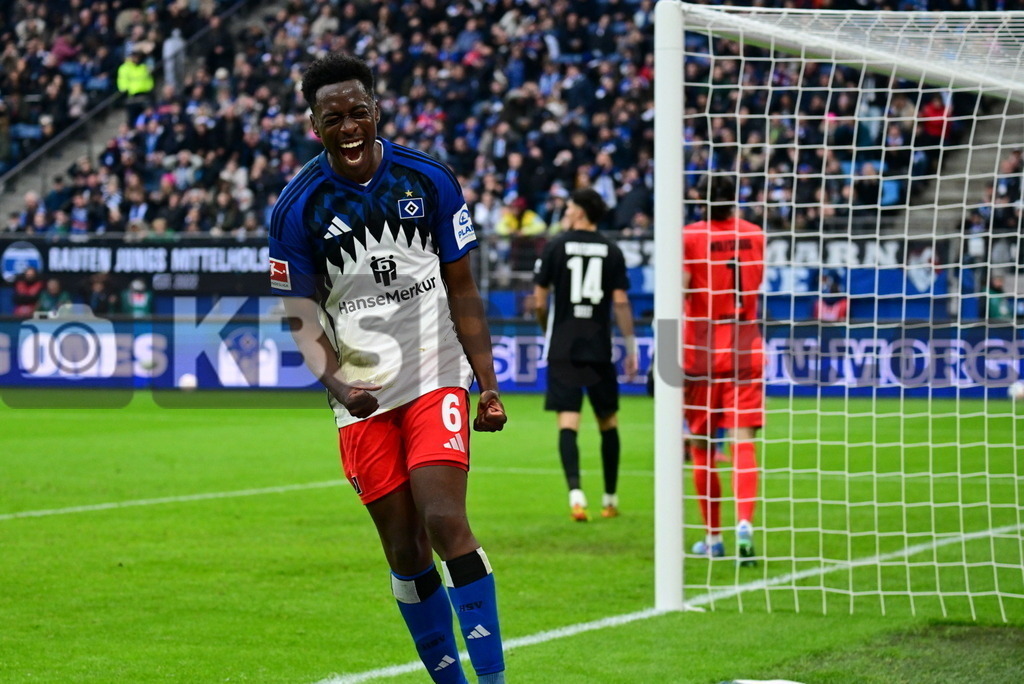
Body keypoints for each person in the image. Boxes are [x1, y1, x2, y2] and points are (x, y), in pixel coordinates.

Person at [267, 53, 507, 684]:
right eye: (333, 119)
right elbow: (300, 319)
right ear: (314, 126)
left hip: (434, 372)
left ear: (376, 111)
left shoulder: (428, 179)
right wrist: (340, 384)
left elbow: (462, 287)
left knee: (444, 519)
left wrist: (487, 384)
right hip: (362, 394)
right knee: (405, 550)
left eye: (358, 113)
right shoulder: (296, 209)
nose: (349, 127)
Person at [533, 188, 637, 521]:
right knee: (608, 420)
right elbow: (620, 302)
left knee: (568, 421)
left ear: (580, 212)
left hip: (563, 345)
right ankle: (610, 499)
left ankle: (576, 497)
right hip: (598, 347)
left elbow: (539, 301)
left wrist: (547, 328)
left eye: (569, 207)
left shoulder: (555, 246)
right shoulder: (612, 250)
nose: (565, 211)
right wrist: (631, 345)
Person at [683, 174, 765, 567]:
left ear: (700, 200)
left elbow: (680, 292)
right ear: (735, 198)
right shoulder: (756, 235)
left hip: (701, 348)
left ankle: (714, 537)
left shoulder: (690, 236)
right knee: (742, 440)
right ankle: (744, 523)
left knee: (701, 444)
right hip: (746, 343)